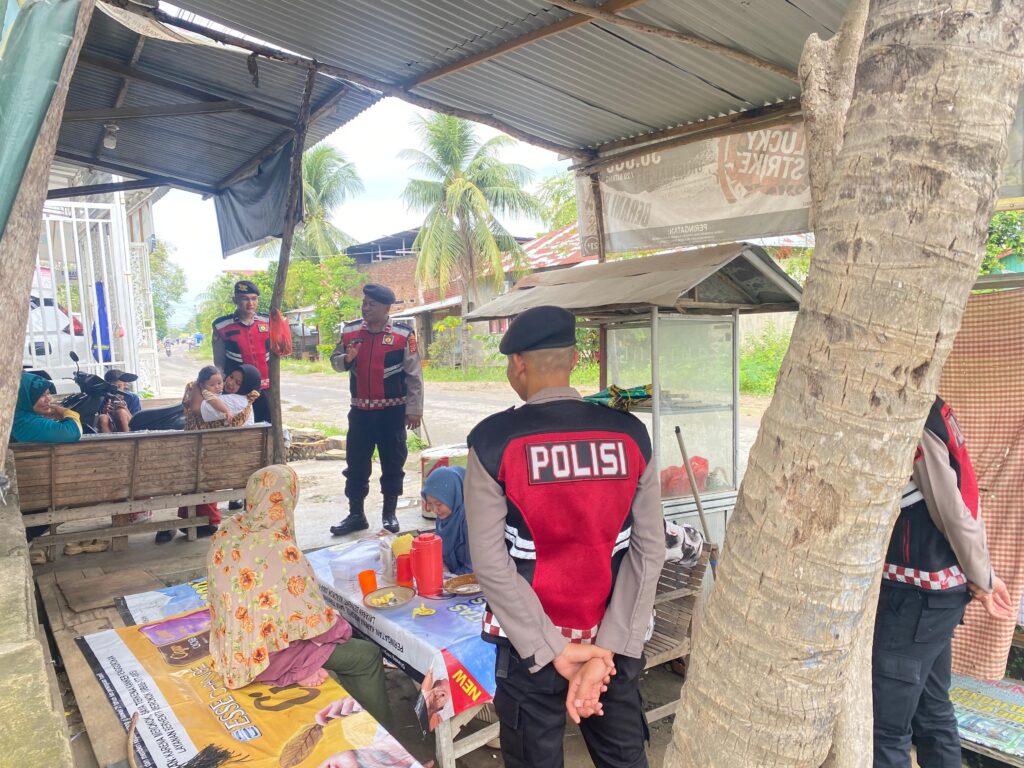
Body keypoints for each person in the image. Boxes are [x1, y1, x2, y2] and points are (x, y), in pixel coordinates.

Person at [465, 306, 664, 768]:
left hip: (529, 648)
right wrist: (605, 649)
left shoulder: (493, 441)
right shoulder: (631, 435)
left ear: (518, 363)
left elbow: (491, 563)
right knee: (624, 758)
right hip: (612, 645)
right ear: (574, 359)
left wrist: (553, 648)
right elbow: (649, 549)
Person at [872, 396, 1015, 768]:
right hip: (935, 596)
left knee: (885, 729)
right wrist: (980, 574)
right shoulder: (938, 411)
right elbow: (966, 501)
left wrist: (983, 577)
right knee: (932, 712)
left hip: (916, 597)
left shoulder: (913, 412)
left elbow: (951, 510)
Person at [207, 464, 390, 726]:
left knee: (336, 644)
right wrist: (343, 631)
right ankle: (384, 739)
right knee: (365, 654)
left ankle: (349, 708)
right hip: (261, 659)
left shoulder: (227, 530)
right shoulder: (279, 548)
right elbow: (319, 626)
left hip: (229, 648)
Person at [329, 283, 423, 536]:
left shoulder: (404, 335)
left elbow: (414, 375)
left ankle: (389, 514)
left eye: (372, 304)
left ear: (386, 308)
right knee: (356, 465)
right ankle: (356, 515)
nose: (365, 308)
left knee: (393, 464)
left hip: (392, 413)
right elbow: (335, 362)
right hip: (360, 413)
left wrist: (414, 409)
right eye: (364, 303)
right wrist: (346, 359)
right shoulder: (350, 332)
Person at [155, 365, 257, 543]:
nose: (230, 383)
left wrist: (198, 384)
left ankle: (206, 521)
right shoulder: (242, 400)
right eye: (231, 377)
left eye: (238, 382)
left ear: (246, 386)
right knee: (197, 461)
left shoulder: (233, 401)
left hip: (224, 464)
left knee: (194, 464)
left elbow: (196, 407)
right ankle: (192, 520)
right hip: (233, 459)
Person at [12, 372, 83, 552]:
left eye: (48, 394)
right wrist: (66, 412)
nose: (48, 399)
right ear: (24, 397)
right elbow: (73, 432)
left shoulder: (17, 415)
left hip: (26, 487)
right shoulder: (23, 422)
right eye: (41, 395)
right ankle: (24, 539)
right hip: (30, 493)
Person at [212, 280, 272, 426]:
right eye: (245, 299)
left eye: (254, 298)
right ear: (235, 300)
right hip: (237, 388)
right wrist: (220, 384)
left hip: (264, 387)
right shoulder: (221, 325)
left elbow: (275, 354)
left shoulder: (268, 321)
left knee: (266, 423)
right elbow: (219, 360)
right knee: (239, 424)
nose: (250, 303)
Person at [421, 466, 472, 575]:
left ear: (455, 496)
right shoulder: (444, 518)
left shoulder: (470, 521)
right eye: (430, 503)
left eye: (439, 504)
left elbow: (474, 569)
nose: (435, 510)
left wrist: (449, 576)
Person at [97, 369, 142, 433]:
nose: (116, 390)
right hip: (111, 427)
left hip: (130, 427)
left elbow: (137, 422)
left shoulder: (132, 397)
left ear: (124, 385)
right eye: (112, 388)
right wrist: (104, 412)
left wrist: (125, 409)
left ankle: (127, 438)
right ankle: (109, 440)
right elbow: (99, 421)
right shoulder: (103, 398)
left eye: (119, 386)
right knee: (102, 417)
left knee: (121, 412)